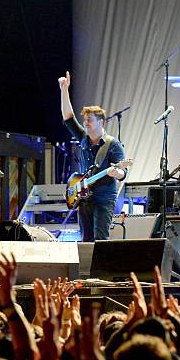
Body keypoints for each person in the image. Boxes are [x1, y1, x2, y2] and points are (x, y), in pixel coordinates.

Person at [58, 71, 126, 241]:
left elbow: (123, 172)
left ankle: (102, 268)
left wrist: (117, 173)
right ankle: (86, 269)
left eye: (90, 120)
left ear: (101, 122)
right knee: (86, 240)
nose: (85, 123)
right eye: (85, 120)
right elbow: (68, 117)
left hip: (104, 198)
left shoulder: (113, 144)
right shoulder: (83, 139)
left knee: (101, 239)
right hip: (84, 198)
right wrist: (64, 90)